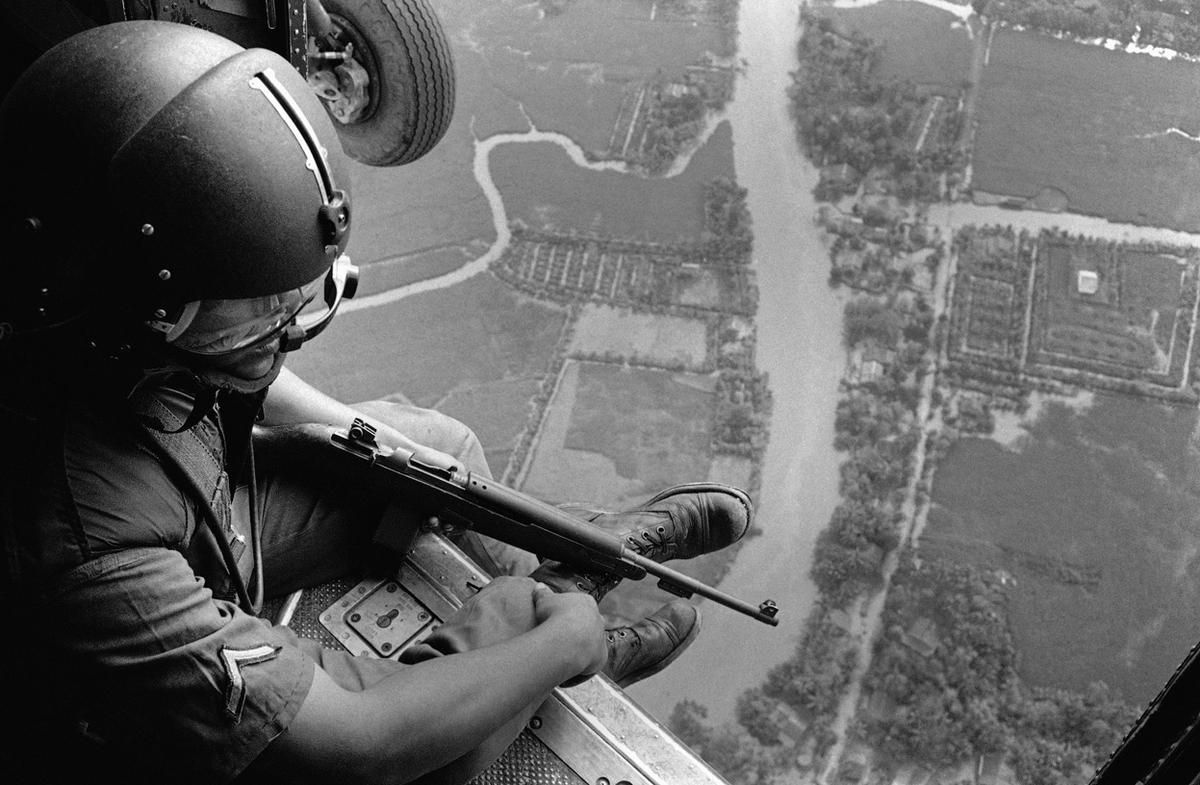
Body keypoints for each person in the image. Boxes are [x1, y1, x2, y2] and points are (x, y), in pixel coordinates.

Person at [0, 20, 753, 785]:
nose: (285, 334)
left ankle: (580, 556)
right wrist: (561, 645)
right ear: (132, 311)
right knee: (424, 753)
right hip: (122, 686)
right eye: (256, 314)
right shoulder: (90, 554)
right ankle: (565, 643)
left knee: (432, 450)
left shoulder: (98, 336)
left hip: (192, 502)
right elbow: (360, 744)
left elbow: (239, 393)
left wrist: (366, 454)